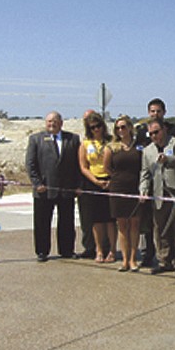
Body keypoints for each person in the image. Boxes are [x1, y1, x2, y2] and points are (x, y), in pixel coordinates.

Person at [25, 111, 81, 262]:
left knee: (67, 222)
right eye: (49, 121)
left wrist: (77, 185)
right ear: (45, 123)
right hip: (44, 189)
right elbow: (30, 164)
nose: (52, 124)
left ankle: (67, 250)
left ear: (61, 123)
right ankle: (42, 251)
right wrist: (37, 183)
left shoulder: (73, 139)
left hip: (66, 189)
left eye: (55, 121)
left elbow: (78, 165)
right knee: (42, 222)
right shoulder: (36, 139)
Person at [135, 98, 175, 268]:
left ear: (163, 129)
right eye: (151, 134)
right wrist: (143, 190)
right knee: (160, 229)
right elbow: (145, 173)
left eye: (157, 132)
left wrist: (168, 159)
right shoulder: (148, 151)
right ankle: (164, 260)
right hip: (157, 194)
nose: (154, 136)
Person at [103, 115, 142, 272]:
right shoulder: (111, 147)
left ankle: (133, 259)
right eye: (118, 128)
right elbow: (107, 168)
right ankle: (124, 260)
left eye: (123, 127)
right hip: (118, 188)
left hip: (136, 187)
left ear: (130, 128)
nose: (121, 130)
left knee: (134, 224)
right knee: (122, 225)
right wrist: (116, 178)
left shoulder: (138, 146)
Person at [79, 112, 117, 264]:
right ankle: (99, 250)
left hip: (110, 181)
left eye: (98, 126)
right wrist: (95, 181)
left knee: (110, 219)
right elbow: (83, 167)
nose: (96, 129)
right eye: (93, 127)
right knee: (97, 220)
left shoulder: (111, 141)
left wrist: (111, 180)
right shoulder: (86, 143)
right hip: (93, 182)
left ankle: (113, 250)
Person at [77, 109, 97, 258]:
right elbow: (80, 165)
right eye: (86, 119)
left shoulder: (107, 140)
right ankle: (89, 247)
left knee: (105, 220)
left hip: (104, 184)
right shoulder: (82, 141)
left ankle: (105, 247)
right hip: (86, 184)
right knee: (87, 220)